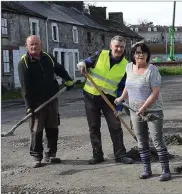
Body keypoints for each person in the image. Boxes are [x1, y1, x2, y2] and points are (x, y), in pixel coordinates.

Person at [114, 42, 171, 181]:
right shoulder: (129, 67)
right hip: (134, 110)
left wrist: (144, 107)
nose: (141, 55)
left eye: (144, 53)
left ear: (147, 55)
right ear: (133, 54)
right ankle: (147, 169)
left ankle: (166, 171)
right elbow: (128, 85)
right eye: (138, 52)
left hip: (153, 111)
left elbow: (155, 93)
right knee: (141, 141)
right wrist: (122, 97)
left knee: (157, 140)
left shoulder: (152, 70)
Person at [76, 35, 134, 165]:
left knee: (115, 126)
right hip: (90, 96)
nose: (119, 49)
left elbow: (122, 88)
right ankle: (97, 155)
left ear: (124, 48)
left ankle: (120, 155)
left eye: (121, 47)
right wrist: (83, 63)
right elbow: (87, 61)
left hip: (110, 99)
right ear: (111, 46)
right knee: (94, 127)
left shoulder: (126, 66)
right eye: (116, 46)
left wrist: (119, 107)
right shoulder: (100, 55)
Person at [18, 35, 74, 168]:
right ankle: (37, 156)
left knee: (53, 127)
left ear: (40, 45)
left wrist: (68, 79)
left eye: (36, 44)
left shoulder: (48, 57)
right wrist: (28, 106)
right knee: (36, 130)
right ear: (27, 46)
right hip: (36, 102)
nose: (34, 47)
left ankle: (51, 154)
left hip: (52, 98)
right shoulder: (24, 62)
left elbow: (59, 68)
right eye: (31, 44)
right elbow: (24, 87)